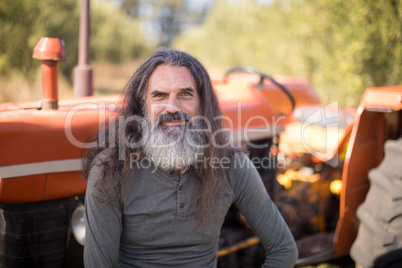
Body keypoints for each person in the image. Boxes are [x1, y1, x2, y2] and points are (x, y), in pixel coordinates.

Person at [83, 48, 298, 267]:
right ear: (142, 105)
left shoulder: (232, 165)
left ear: (202, 104)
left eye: (185, 94)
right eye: (160, 95)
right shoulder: (110, 170)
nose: (172, 107)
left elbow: (284, 249)